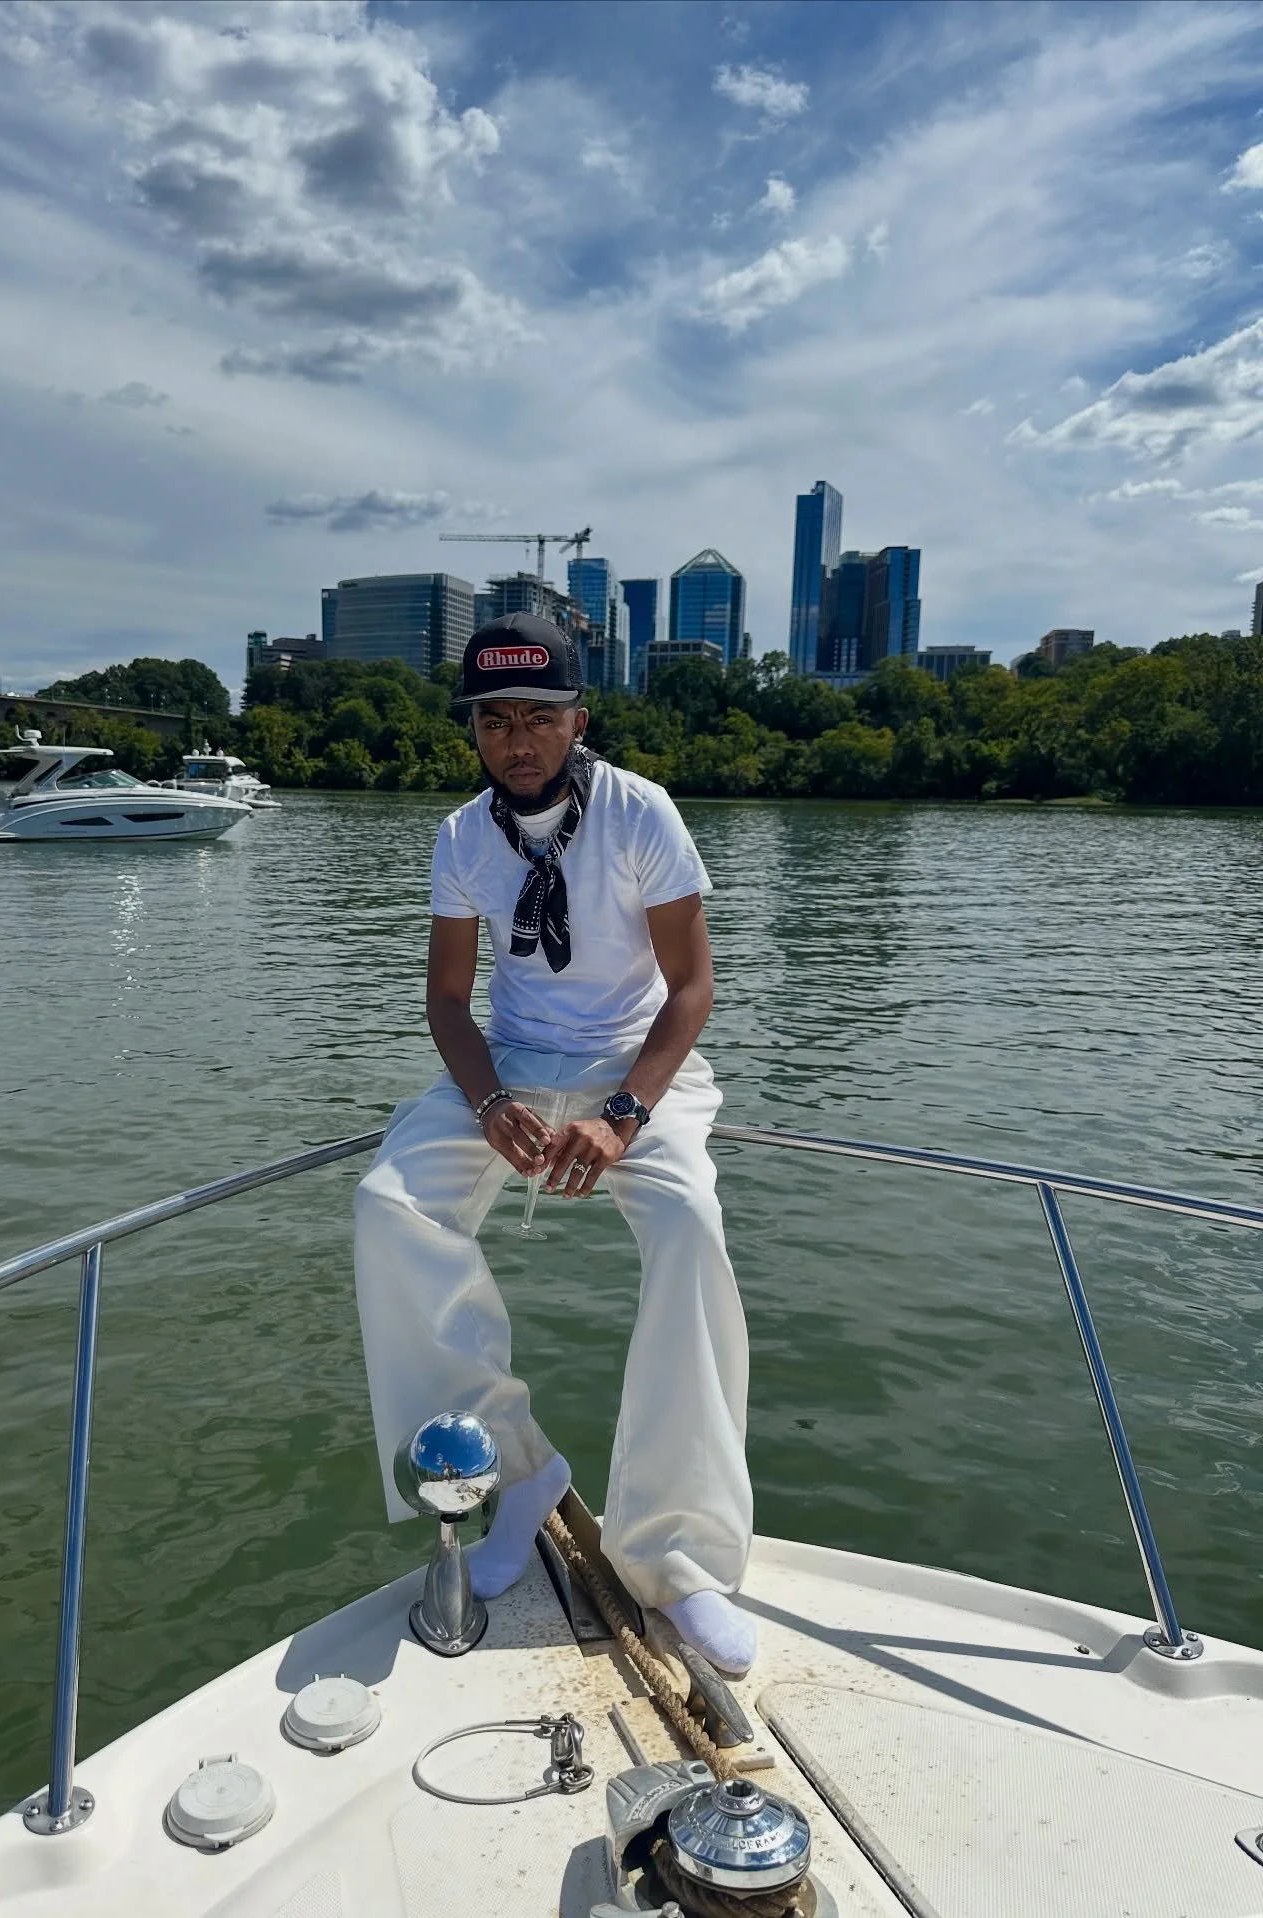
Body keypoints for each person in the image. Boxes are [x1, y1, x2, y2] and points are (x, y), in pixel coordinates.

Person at [353, 612, 755, 1674]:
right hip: (511, 1066)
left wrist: (623, 1115)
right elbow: (446, 1000)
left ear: (579, 719)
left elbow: (694, 987)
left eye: (540, 716)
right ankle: (517, 1471)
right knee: (389, 1205)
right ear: (474, 731)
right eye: (495, 719)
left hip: (636, 1068)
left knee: (689, 1225)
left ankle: (678, 1556)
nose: (517, 739)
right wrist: (488, 1102)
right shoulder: (459, 836)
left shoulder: (641, 812)